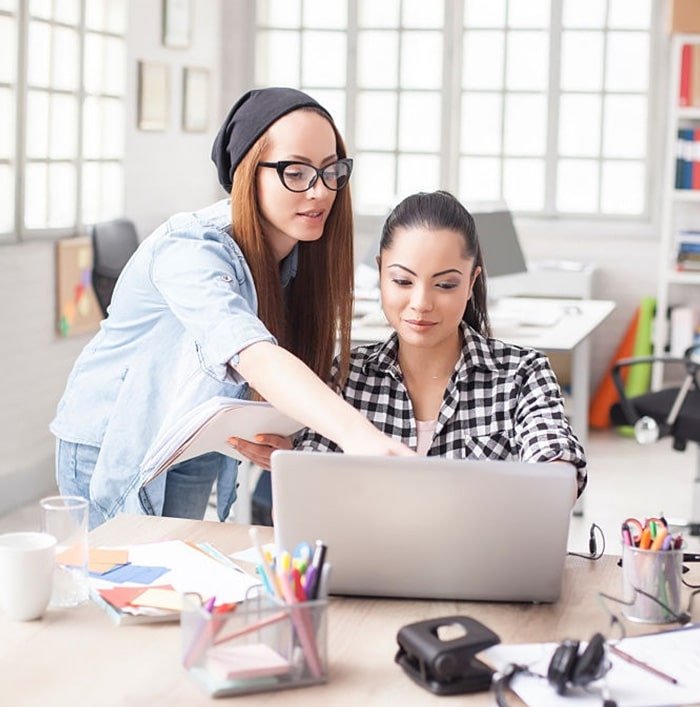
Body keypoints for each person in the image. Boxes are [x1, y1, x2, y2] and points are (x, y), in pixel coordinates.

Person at [50, 87, 413, 529]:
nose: (320, 191)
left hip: (193, 439)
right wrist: (360, 437)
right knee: (122, 567)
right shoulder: (191, 248)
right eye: (296, 172)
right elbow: (253, 353)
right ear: (248, 172)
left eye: (330, 170)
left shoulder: (300, 257)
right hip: (114, 438)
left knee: (174, 566)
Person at [233, 190, 587, 497]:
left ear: (471, 282)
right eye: (403, 281)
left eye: (445, 285)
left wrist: (554, 478)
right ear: (380, 273)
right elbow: (311, 495)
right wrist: (293, 464)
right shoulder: (347, 375)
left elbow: (556, 463)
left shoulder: (522, 374)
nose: (421, 303)